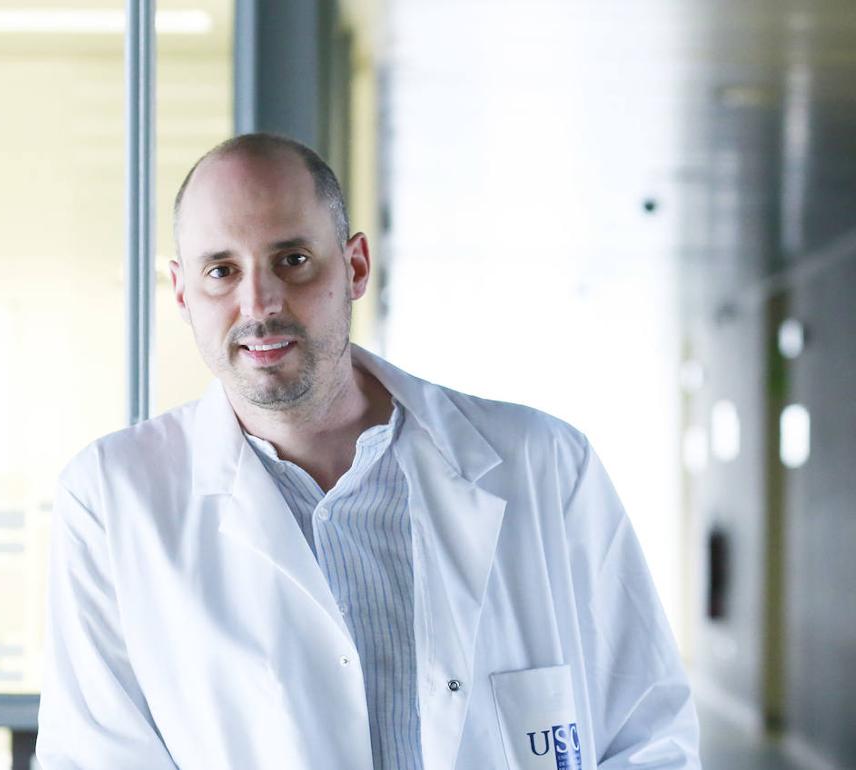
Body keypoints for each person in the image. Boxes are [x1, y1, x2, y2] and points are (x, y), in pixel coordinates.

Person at [36, 134, 700, 769]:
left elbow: (650, 737)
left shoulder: (545, 465)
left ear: (355, 266)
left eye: (292, 260)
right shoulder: (111, 499)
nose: (259, 303)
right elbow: (98, 757)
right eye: (222, 271)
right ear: (183, 292)